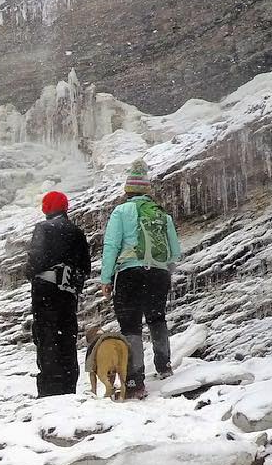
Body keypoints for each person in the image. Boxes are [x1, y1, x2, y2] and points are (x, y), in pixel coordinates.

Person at [99, 159, 181, 399]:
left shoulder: (121, 211)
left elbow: (111, 246)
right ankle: (165, 367)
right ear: (147, 190)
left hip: (130, 274)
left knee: (131, 326)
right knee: (157, 318)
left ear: (127, 190)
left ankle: (135, 380)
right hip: (158, 273)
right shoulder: (162, 214)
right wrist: (163, 272)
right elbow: (174, 251)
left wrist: (106, 278)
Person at [24, 190, 91, 397]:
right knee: (67, 336)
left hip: (46, 291)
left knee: (47, 336)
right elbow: (85, 266)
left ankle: (50, 388)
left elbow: (35, 261)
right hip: (68, 292)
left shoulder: (43, 229)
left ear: (46, 208)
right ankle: (69, 384)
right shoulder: (76, 232)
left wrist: (31, 274)